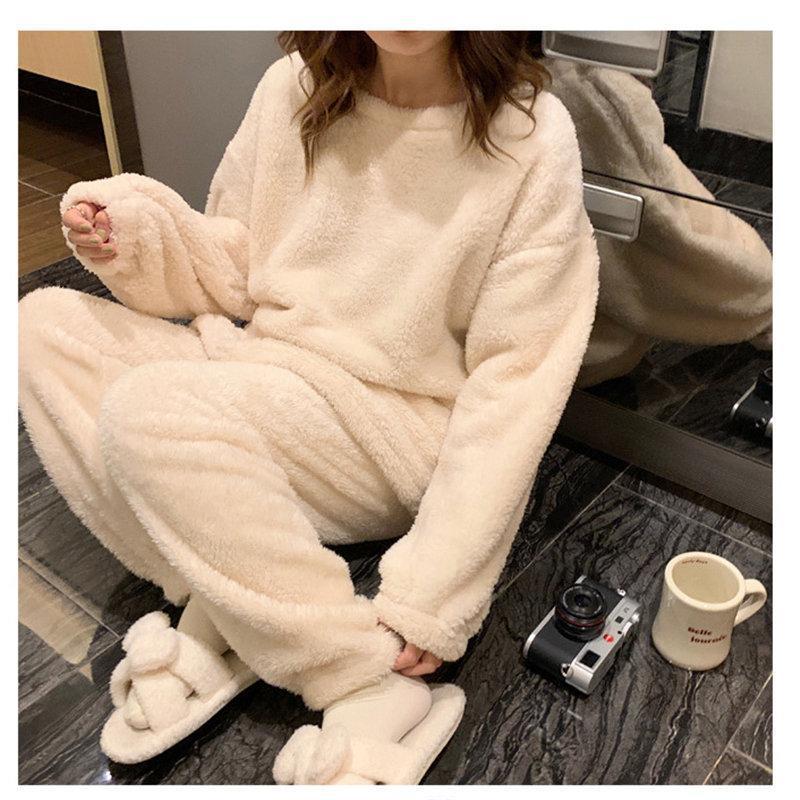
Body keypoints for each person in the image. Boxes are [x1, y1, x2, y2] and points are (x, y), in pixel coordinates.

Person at [18, 31, 599, 784]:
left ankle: (358, 676)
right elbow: (239, 264)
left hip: (388, 430)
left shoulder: (531, 135)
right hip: (262, 374)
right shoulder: (294, 86)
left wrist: (433, 591)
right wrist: (134, 238)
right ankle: (237, 600)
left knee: (148, 413)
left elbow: (517, 381)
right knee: (41, 327)